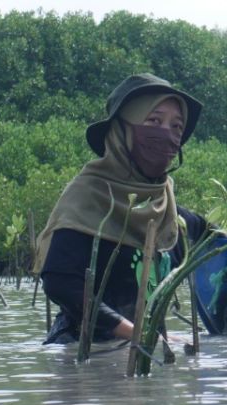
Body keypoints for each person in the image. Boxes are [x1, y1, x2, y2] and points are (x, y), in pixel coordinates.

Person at [36, 73, 207, 344]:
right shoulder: (87, 195)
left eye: (176, 127)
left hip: (148, 348)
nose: (167, 134)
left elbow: (213, 235)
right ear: (122, 130)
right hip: (85, 352)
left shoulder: (167, 208)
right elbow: (60, 282)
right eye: (153, 121)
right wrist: (135, 333)